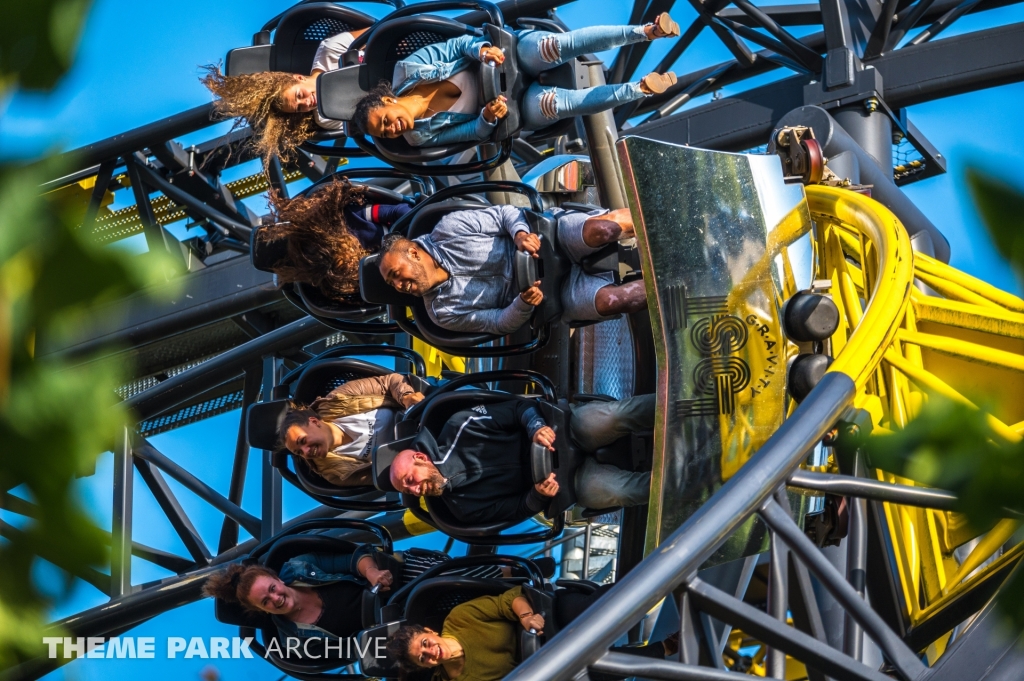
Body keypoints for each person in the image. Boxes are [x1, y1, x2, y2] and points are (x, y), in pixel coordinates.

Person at [352, 15, 681, 147]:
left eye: (384, 121)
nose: (392, 129)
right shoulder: (419, 137)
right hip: (511, 106)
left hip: (506, 56)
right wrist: (486, 117)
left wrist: (482, 51)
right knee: (559, 105)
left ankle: (646, 31)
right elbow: (470, 134)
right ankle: (641, 88)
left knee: (554, 46)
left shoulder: (409, 69)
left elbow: (454, 45)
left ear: (387, 101)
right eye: (385, 132)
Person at [381, 394, 654, 524]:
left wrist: (536, 427)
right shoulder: (460, 508)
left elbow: (520, 407)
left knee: (618, 415)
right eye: (409, 491)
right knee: (624, 490)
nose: (416, 490)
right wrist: (538, 495)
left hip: (563, 431)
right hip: (564, 483)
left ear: (420, 457)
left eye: (410, 481)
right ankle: (686, 481)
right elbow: (517, 510)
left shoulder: (461, 425)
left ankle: (684, 399)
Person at [377, 205, 647, 335]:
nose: (399, 285)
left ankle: (658, 216)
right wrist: (522, 303)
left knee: (603, 229)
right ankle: (677, 283)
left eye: (395, 274)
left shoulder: (449, 229)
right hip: (551, 296)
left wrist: (519, 234)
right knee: (616, 300)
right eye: (392, 285)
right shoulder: (441, 313)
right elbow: (497, 323)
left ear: (413, 253)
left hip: (550, 241)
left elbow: (504, 213)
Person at [386, 585, 677, 680]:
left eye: (425, 644)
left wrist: (526, 617)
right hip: (547, 665)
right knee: (591, 669)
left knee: (597, 608)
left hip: (543, 621)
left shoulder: (460, 619)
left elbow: (508, 598)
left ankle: (665, 583)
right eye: (423, 658)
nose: (430, 652)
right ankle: (663, 650)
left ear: (429, 632)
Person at [202, 26, 369, 163]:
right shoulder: (326, 117)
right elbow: (370, 123)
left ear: (298, 78)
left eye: (298, 96)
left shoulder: (330, 50)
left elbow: (378, 33)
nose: (306, 103)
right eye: (299, 108)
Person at [203, 543, 395, 645]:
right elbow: (351, 652)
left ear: (277, 579)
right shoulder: (293, 641)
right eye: (266, 601)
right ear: (262, 610)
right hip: (389, 633)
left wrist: (373, 573)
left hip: (391, 588)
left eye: (272, 589)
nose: (276, 598)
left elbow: (353, 559)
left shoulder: (300, 567)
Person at [261, 177, 411, 299]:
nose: (347, 262)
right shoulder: (343, 277)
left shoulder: (352, 218)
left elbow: (398, 211)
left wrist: (408, 236)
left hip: (412, 235)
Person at [280, 372, 425, 487]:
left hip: (423, 412)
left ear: (314, 421)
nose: (306, 452)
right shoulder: (335, 473)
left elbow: (388, 382)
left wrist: (406, 397)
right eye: (299, 452)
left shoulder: (340, 398)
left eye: (303, 441)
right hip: (422, 456)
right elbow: (387, 478)